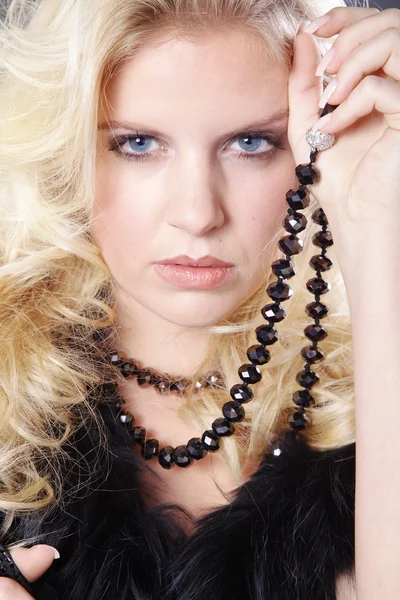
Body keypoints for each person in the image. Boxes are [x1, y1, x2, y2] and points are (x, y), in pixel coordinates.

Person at [1, 0, 400, 597]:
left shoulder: (372, 386)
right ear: (65, 149)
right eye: (138, 143)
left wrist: (376, 232)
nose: (197, 214)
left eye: (250, 142)